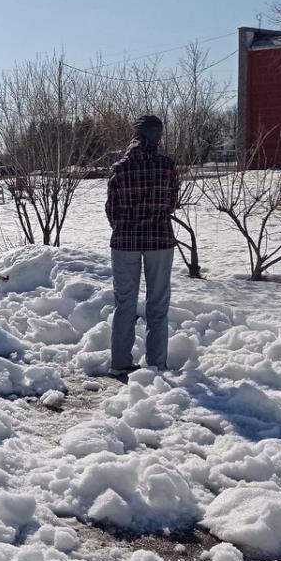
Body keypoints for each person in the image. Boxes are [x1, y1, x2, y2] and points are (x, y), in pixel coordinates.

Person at [105, 115, 180, 379]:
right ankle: (157, 364)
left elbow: (111, 210)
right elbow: (171, 204)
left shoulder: (119, 168)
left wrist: (125, 226)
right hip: (159, 240)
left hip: (124, 242)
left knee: (124, 304)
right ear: (157, 136)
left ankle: (120, 363)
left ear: (135, 135)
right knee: (157, 304)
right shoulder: (167, 166)